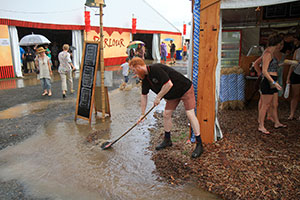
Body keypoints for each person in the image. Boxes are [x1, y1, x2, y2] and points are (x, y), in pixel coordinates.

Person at [129, 57, 204, 158]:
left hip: (184, 89)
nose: (134, 74)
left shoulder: (155, 69)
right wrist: (142, 114)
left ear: (138, 67)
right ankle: (167, 140)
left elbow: (168, 84)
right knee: (166, 114)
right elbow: (144, 96)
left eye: (134, 70)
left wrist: (158, 97)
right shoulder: (145, 79)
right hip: (172, 95)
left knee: (190, 114)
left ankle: (199, 144)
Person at [258, 34, 287, 134]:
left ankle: (277, 122)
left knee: (274, 103)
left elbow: (272, 66)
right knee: (265, 105)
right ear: (278, 44)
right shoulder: (267, 53)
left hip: (273, 79)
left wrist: (284, 64)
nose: (281, 46)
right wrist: (273, 82)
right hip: (268, 81)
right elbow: (265, 71)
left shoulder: (272, 53)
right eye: (281, 44)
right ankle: (261, 125)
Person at [286, 45, 300, 120]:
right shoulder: (297, 51)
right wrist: (288, 77)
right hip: (296, 74)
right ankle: (292, 114)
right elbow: (293, 64)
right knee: (295, 95)